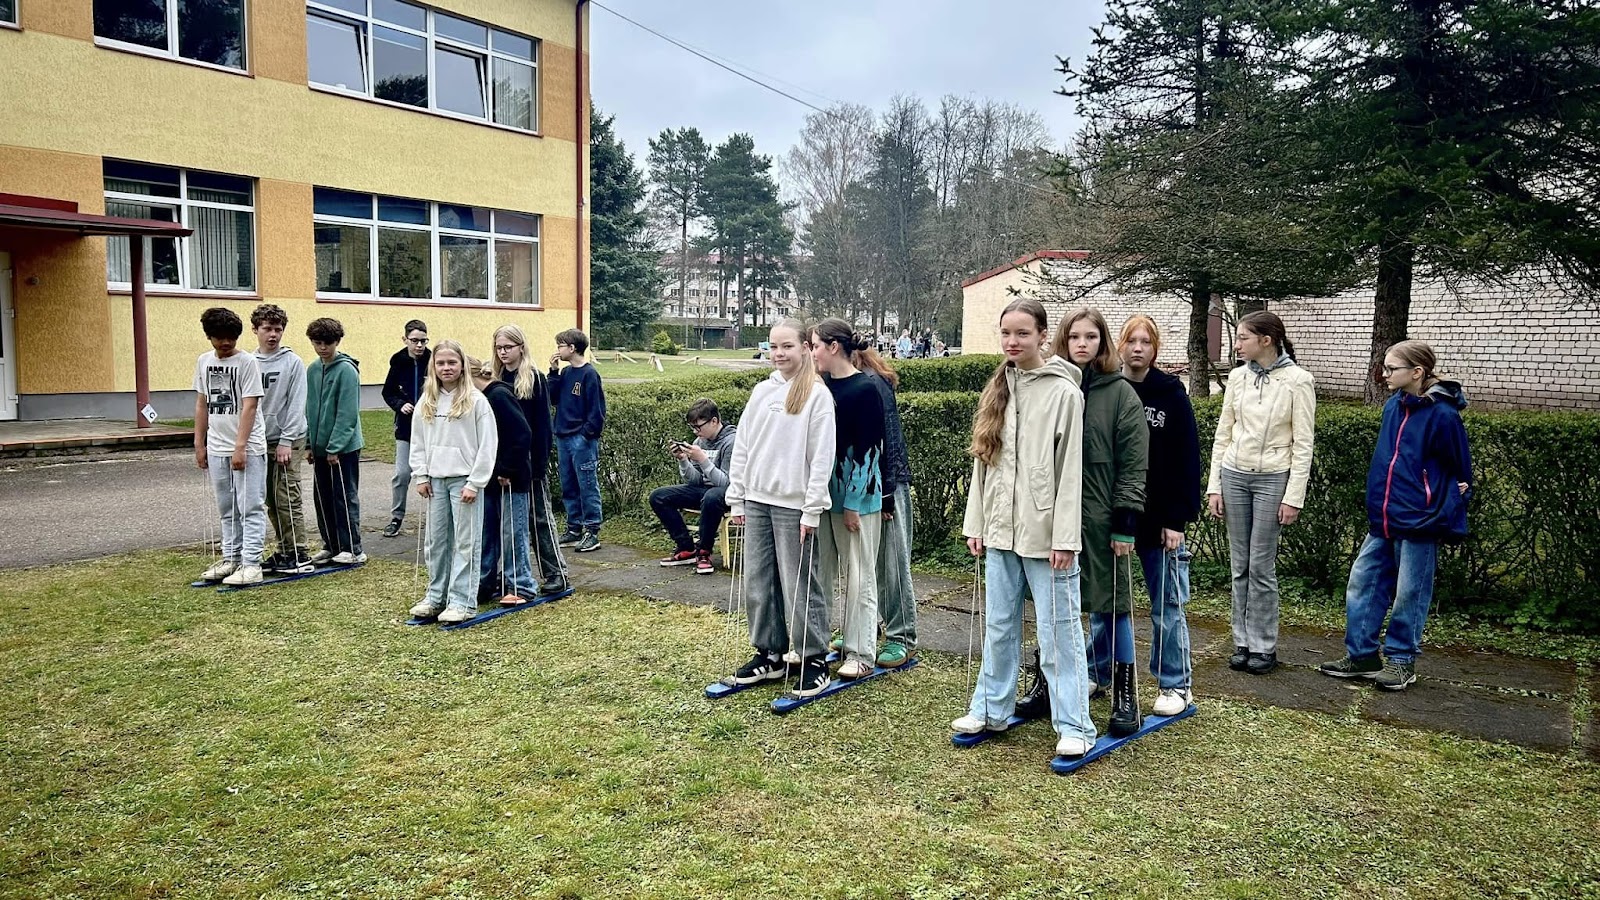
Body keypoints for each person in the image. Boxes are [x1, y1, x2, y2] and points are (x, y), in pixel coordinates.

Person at [950, 298, 1095, 760]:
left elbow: (1070, 472)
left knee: (1059, 633)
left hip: (1046, 537)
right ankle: (990, 708)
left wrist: (1065, 538)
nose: (1012, 342)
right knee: (998, 626)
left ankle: (1075, 725)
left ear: (1042, 336)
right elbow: (984, 463)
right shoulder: (998, 388)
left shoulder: (1064, 394)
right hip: (1000, 533)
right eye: (1006, 333)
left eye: (1023, 333)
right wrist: (977, 523)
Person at [1319, 340, 1472, 691]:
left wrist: (1445, 505)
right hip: (1384, 517)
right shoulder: (1393, 406)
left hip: (1420, 521)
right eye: (1384, 368)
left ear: (1417, 372)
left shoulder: (1443, 415)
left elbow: (1460, 473)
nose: (1384, 374)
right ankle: (1362, 656)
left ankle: (1402, 661)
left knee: (1409, 593)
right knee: (1363, 582)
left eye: (1391, 369)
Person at [724, 319, 837, 699]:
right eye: (773, 346)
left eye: (787, 346)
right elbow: (743, 448)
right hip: (757, 501)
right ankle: (769, 653)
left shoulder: (817, 396)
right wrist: (737, 497)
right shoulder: (761, 392)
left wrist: (812, 509)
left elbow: (822, 458)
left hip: (793, 506)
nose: (778, 354)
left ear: (805, 347)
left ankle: (814, 658)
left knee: (799, 584)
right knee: (759, 581)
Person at [1053, 307, 1148, 737]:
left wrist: (1125, 521)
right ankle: (1051, 681)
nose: (1082, 344)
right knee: (1055, 604)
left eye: (1091, 336)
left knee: (1113, 603)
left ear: (1103, 341)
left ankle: (1125, 693)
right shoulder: (1052, 386)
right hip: (1056, 516)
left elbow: (1133, 463)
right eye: (1075, 336)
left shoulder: (1121, 393)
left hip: (1102, 515)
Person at [1207, 310, 1316, 675]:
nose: (1237, 345)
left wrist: (1293, 496)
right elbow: (1224, 433)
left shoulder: (1298, 381)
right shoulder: (1238, 377)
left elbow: (1303, 444)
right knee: (1239, 564)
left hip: (1272, 479)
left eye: (1243, 338)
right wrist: (1215, 486)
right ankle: (1242, 642)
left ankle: (1264, 645)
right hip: (1234, 475)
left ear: (1266, 340)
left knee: (1261, 566)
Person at [1119, 315, 1201, 715]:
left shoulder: (1170, 394)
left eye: (1146, 342)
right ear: (1119, 345)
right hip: (1117, 517)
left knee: (1166, 605)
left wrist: (1176, 519)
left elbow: (1187, 458)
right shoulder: (1107, 389)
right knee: (1108, 604)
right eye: (1131, 340)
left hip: (1159, 518)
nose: (1138, 348)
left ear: (1155, 349)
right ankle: (1100, 672)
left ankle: (1175, 684)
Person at [810, 318, 888, 680]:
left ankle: (861, 652)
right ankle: (820, 642)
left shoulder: (865, 388)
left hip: (857, 500)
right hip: (825, 498)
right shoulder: (821, 387)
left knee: (859, 576)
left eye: (815, 346)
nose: (812, 353)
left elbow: (870, 451)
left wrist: (854, 503)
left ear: (833, 347)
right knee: (823, 573)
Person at [407, 341, 498, 624]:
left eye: (452, 363)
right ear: (433, 366)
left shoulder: (476, 401)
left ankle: (462, 601)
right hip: (435, 480)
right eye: (441, 363)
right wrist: (421, 474)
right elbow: (418, 441)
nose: (446, 368)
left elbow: (488, 445)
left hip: (464, 482)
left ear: (462, 366)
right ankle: (436, 596)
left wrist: (475, 482)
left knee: (465, 542)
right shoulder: (427, 401)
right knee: (436, 542)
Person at [849, 337, 917, 668]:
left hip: (886, 484)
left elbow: (887, 437)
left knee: (891, 562)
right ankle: (868, 626)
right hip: (860, 484)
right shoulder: (843, 383)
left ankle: (902, 636)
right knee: (864, 560)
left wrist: (888, 493)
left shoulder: (873, 383)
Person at [491, 324, 567, 596]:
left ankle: (556, 572)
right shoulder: (496, 379)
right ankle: (507, 573)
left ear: (521, 347)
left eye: (508, 347)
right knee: (508, 522)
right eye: (499, 348)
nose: (503, 353)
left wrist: (540, 464)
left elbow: (543, 425)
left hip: (531, 462)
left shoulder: (534, 378)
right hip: (505, 462)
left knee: (540, 518)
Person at [194, 307, 268, 586]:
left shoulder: (248, 362)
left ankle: (252, 563)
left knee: (250, 506)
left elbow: (250, 406)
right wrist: (199, 443)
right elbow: (202, 403)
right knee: (227, 507)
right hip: (216, 447)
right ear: (209, 336)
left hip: (247, 447)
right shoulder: (203, 361)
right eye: (219, 337)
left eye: (231, 337)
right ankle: (231, 558)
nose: (225, 343)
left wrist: (240, 447)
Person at [472, 359, 537, 606]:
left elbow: (522, 433)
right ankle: (485, 583)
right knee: (487, 532)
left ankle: (522, 585)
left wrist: (507, 469)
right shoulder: (482, 398)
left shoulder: (499, 396)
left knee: (512, 533)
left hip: (511, 479)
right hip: (489, 478)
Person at [251, 303, 310, 573]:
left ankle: (298, 551)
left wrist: (286, 440)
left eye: (278, 329)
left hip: (288, 439)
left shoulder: (292, 362)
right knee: (270, 500)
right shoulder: (249, 362)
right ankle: (283, 548)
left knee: (287, 495)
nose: (273, 334)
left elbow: (297, 404)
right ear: (256, 330)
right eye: (267, 329)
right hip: (260, 439)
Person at [651, 398, 737, 575]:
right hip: (705, 492)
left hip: (728, 493)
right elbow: (696, 481)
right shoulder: (699, 442)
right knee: (659, 496)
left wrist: (703, 460)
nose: (696, 432)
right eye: (693, 427)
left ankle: (704, 552)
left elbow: (727, 483)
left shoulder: (732, 442)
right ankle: (686, 547)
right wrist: (683, 460)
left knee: (712, 496)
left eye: (698, 427)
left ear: (714, 421)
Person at [304, 317, 366, 565]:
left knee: (343, 497)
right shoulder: (312, 369)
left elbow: (347, 413)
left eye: (327, 343)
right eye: (317, 343)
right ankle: (331, 545)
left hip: (343, 448)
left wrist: (335, 447)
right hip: (319, 447)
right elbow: (309, 408)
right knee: (322, 498)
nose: (322, 348)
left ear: (337, 342)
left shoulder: (347, 370)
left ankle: (352, 548)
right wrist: (309, 444)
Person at [548, 328, 605, 553]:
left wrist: (586, 435)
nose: (557, 349)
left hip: (581, 440)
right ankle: (574, 528)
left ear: (572, 348)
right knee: (568, 484)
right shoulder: (566, 372)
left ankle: (592, 530)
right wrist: (553, 372)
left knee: (587, 485)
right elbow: (553, 398)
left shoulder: (589, 375)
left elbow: (597, 411)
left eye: (560, 345)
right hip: (563, 436)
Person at [381, 320, 430, 538]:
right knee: (402, 473)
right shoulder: (398, 361)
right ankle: (396, 516)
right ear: (405, 340)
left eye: (423, 341)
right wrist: (400, 405)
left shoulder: (433, 360)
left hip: (430, 427)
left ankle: (435, 518)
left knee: (433, 474)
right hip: (406, 427)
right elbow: (388, 391)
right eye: (415, 341)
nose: (419, 345)